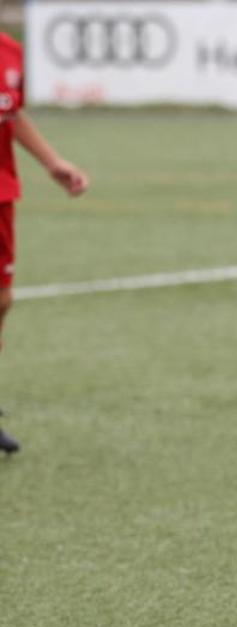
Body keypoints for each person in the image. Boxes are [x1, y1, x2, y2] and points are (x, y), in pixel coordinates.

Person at [0, 32, 89, 454]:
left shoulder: (9, 50)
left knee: (1, 300)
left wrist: (52, 161)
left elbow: (10, 113)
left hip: (2, 193)